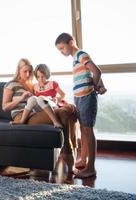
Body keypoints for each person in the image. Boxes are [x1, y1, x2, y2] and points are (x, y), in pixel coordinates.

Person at [2, 58, 77, 172]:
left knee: (69, 110)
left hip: (36, 113)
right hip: (22, 115)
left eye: (30, 72)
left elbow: (41, 101)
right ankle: (69, 154)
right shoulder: (11, 84)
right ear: (18, 70)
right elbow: (5, 107)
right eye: (25, 71)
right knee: (66, 111)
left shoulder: (32, 86)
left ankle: (70, 151)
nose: (28, 74)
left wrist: (55, 100)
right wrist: (21, 99)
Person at [55, 32, 107, 179]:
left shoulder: (80, 54)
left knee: (88, 131)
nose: (62, 52)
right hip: (80, 98)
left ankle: (91, 168)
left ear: (71, 43)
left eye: (62, 48)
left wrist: (95, 87)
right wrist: (99, 85)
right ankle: (83, 160)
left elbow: (97, 71)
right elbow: (90, 74)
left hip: (86, 97)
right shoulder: (76, 59)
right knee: (83, 131)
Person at [10, 62, 63, 129]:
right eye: (38, 77)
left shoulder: (52, 84)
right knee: (32, 98)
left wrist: (57, 99)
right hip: (41, 107)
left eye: (42, 76)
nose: (40, 79)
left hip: (51, 104)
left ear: (47, 74)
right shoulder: (35, 86)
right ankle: (22, 120)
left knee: (40, 98)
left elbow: (63, 95)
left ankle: (55, 121)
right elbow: (34, 100)